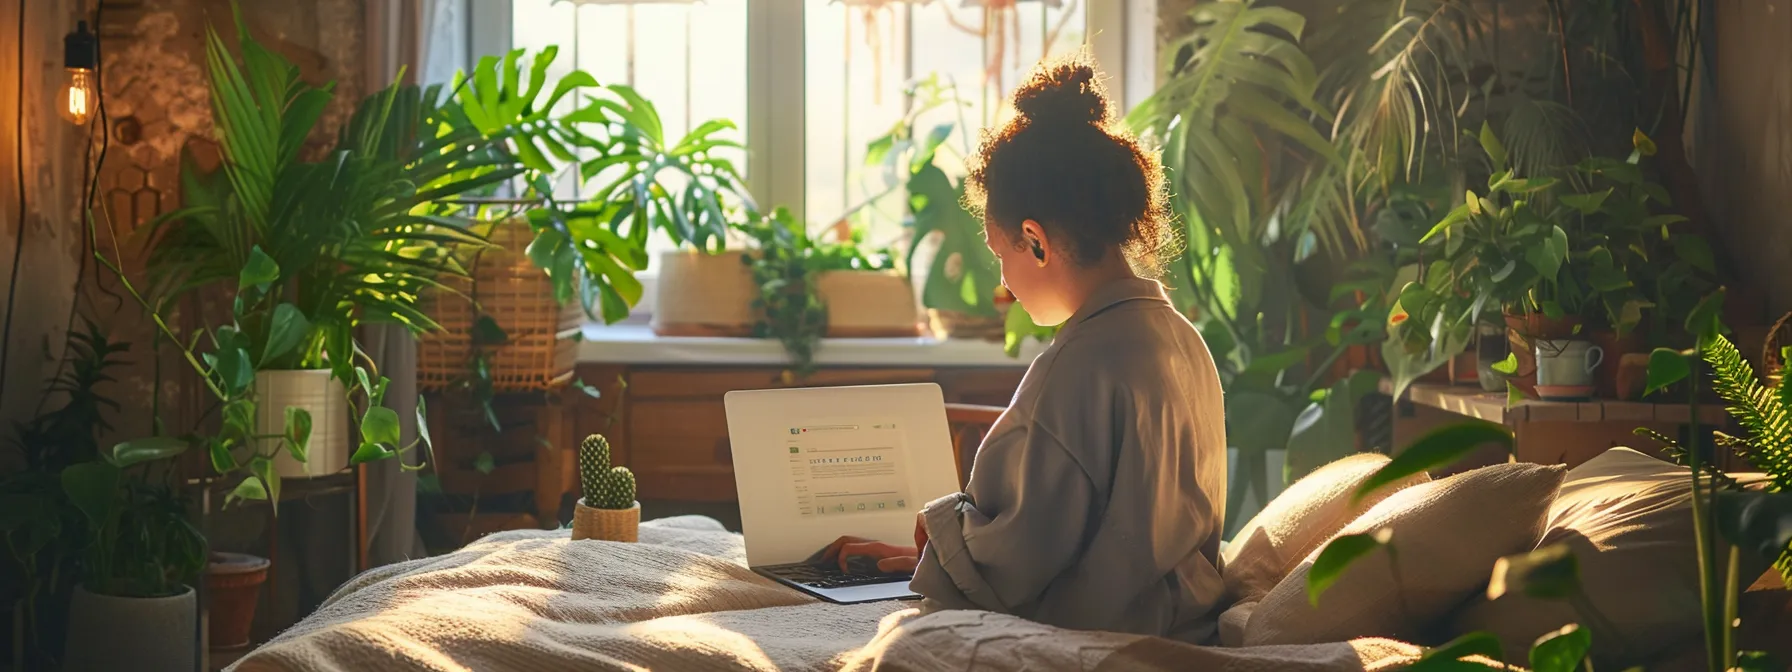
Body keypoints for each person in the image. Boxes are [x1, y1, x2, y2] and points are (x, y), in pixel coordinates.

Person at [820, 53, 1229, 643]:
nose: (1002, 282)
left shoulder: (1080, 364)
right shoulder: (1182, 340)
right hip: (1180, 623)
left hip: (1102, 637)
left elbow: (1019, 556)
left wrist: (939, 543)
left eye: (1000, 253)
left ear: (1034, 241)